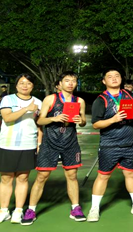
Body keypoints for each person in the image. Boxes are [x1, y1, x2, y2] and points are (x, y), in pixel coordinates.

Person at [21, 71, 87, 225]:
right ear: (59, 84)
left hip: (70, 143)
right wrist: (54, 118)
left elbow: (83, 121)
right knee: (42, 176)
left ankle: (75, 208)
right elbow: (40, 121)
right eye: (67, 80)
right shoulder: (51, 99)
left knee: (72, 176)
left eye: (73, 81)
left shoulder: (79, 101)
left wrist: (81, 120)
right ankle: (31, 210)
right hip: (50, 143)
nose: (70, 83)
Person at [86, 69, 133, 222]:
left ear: (121, 79)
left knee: (131, 174)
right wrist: (113, 120)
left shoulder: (128, 95)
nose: (114, 79)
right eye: (110, 77)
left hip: (129, 144)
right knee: (103, 176)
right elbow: (96, 124)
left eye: (117, 76)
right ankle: (94, 208)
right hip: (110, 145)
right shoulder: (101, 100)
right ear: (104, 81)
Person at [0, 73, 42, 224]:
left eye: (28, 83)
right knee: (6, 178)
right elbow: (7, 118)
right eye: (22, 83)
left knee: (23, 178)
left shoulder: (38, 102)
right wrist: (27, 109)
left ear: (33, 86)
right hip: (7, 144)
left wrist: (39, 143)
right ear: (16, 85)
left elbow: (39, 124)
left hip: (28, 144)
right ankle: (3, 211)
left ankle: (18, 211)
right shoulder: (8, 99)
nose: (25, 86)